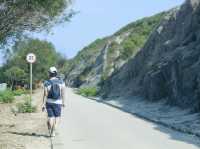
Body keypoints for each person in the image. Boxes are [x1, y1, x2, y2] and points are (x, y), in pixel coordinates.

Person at [42, 66, 66, 137]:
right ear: (56, 73)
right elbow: (63, 93)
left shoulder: (47, 82)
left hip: (49, 102)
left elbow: (45, 94)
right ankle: (53, 132)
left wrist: (43, 104)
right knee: (57, 117)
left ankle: (50, 129)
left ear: (49, 73)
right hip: (58, 102)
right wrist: (63, 102)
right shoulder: (61, 82)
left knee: (50, 117)